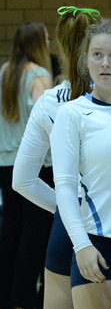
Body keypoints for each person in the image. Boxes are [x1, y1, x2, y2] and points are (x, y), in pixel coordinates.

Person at [50, 18, 111, 308]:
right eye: (97, 55)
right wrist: (81, 245)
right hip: (99, 247)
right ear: (86, 60)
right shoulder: (72, 113)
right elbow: (65, 187)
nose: (105, 63)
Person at [12, 6, 99, 309]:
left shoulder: (49, 100)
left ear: (60, 44)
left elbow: (22, 181)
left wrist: (66, 210)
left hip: (67, 230)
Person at [0, 21, 53, 309]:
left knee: (11, 229)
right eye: (46, 38)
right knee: (34, 233)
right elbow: (44, 119)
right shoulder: (39, 76)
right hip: (33, 166)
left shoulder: (5, 72)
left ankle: (7, 294)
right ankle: (25, 297)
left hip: (4, 162)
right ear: (37, 43)